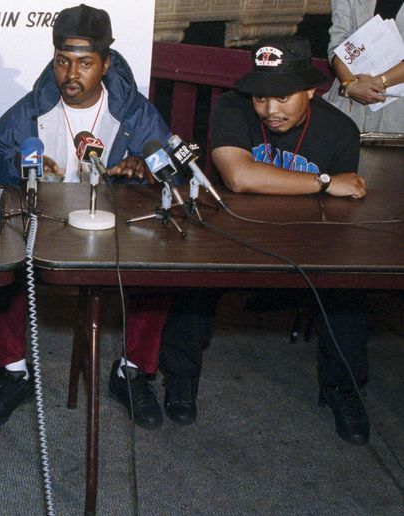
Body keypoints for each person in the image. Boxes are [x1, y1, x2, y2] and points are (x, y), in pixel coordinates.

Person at [159, 36, 371, 445]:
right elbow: (239, 175)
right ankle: (181, 377)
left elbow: (347, 205)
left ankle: (343, 388)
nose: (270, 110)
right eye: (261, 97)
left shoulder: (340, 130)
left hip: (309, 236)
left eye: (283, 97)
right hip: (230, 228)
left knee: (348, 292)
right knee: (191, 281)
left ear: (311, 89)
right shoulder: (233, 107)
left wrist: (327, 194)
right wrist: (324, 182)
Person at [0, 3, 172, 430]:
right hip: (44, 224)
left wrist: (145, 167)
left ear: (105, 64)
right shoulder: (33, 107)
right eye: (63, 61)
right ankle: (13, 372)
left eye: (85, 63)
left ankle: (132, 371)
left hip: (112, 227)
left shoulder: (134, 111)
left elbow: (169, 160)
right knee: (0, 261)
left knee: (158, 271)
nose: (71, 75)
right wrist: (21, 167)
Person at [322, 0, 404, 132]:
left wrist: (379, 82)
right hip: (349, 104)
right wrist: (350, 84)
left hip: (397, 109)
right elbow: (337, 43)